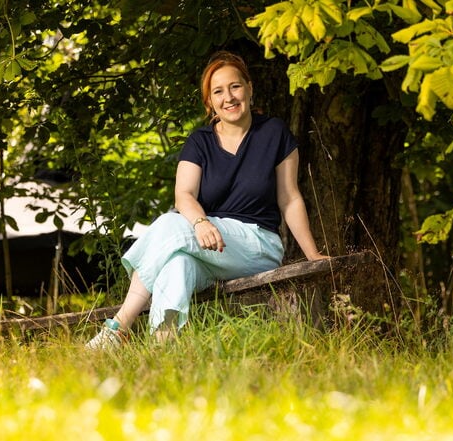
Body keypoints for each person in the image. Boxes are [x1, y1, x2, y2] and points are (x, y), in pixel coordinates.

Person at [86, 51, 328, 349]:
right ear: (210, 102)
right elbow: (184, 195)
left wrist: (313, 254)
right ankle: (163, 349)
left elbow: (289, 198)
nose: (229, 97)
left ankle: (119, 326)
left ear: (249, 89)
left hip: (258, 244)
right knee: (177, 263)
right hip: (209, 244)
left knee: (171, 225)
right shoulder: (199, 141)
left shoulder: (273, 132)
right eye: (218, 91)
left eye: (235, 86)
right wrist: (200, 223)